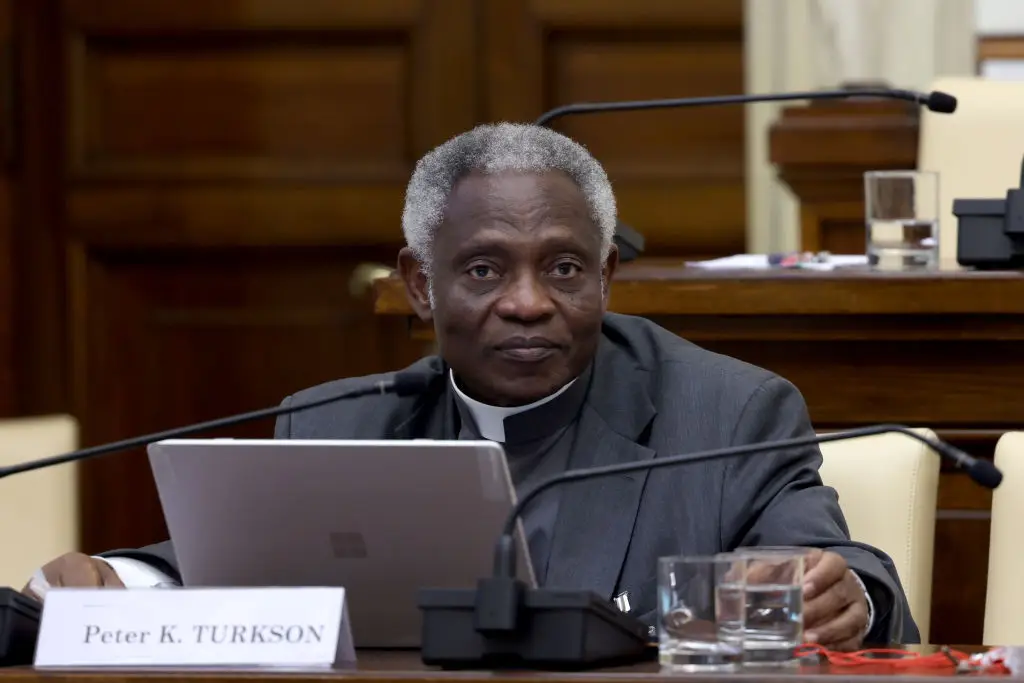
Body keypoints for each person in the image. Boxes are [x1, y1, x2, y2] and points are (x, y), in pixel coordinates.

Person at [25, 123, 918, 649]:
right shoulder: (343, 422)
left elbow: (844, 570)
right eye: (485, 270)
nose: (528, 303)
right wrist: (116, 579)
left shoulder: (728, 411)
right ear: (421, 285)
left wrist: (846, 595)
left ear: (607, 276)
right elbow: (226, 572)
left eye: (564, 268)